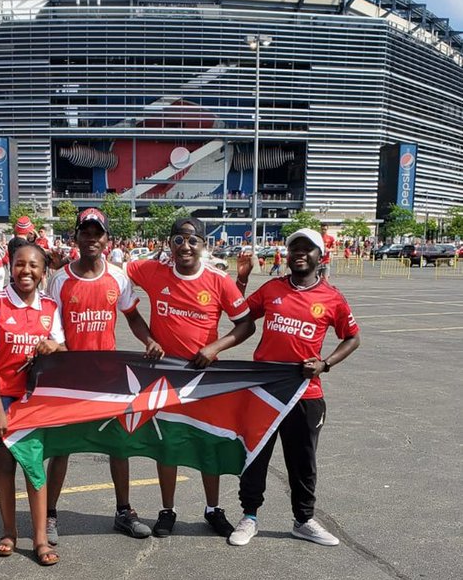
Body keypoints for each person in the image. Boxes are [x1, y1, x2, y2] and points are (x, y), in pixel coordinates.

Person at [229, 228, 360, 548]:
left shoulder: (331, 297)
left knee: (302, 460)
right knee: (255, 455)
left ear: (320, 256)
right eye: (294, 249)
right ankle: (249, 516)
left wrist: (325, 364)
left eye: (307, 249)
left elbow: (353, 337)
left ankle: (303, 520)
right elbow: (240, 316)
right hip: (264, 388)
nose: (299, 254)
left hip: (305, 392)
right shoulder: (272, 288)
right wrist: (242, 279)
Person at [126, 215, 255, 540]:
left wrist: (214, 348)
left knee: (207, 444)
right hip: (165, 377)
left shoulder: (218, 280)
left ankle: (213, 509)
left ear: (204, 245)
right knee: (167, 444)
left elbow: (246, 325)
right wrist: (148, 340)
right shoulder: (152, 272)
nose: (185, 245)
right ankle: (167, 510)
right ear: (169, 244)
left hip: (204, 377)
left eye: (192, 240)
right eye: (179, 239)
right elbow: (117, 275)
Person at [46, 207, 163, 544]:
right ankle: (50, 514)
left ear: (107, 239)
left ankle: (123, 511)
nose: (92, 238)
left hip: (108, 377)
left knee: (119, 445)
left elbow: (133, 316)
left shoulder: (118, 277)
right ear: (76, 237)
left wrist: (150, 339)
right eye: (86, 232)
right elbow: (50, 325)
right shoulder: (61, 280)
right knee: (61, 447)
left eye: (98, 233)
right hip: (69, 377)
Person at [0, 241, 65, 565]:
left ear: (44, 271)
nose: (25, 271)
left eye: (33, 265)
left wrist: (53, 345)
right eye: (19, 264)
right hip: (2, 398)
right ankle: (9, 532)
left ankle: (40, 539)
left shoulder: (50, 307)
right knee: (5, 465)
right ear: (9, 266)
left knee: (34, 467)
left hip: (35, 401)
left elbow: (63, 350)